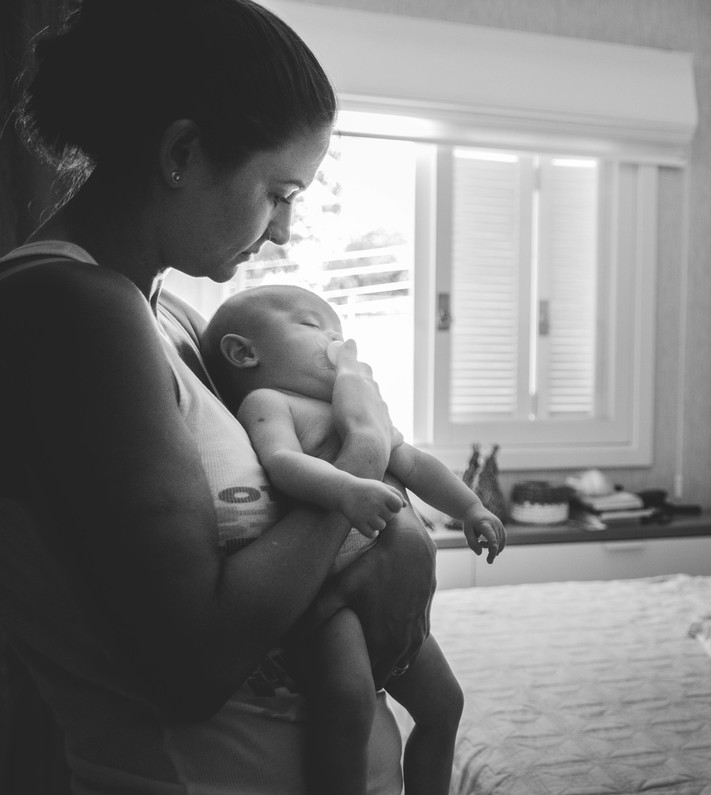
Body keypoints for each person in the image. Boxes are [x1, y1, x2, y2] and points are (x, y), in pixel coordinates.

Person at [0, 1, 427, 791]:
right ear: (183, 153)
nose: (284, 230)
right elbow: (193, 666)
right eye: (278, 192)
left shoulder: (167, 315)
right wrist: (363, 458)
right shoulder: (74, 311)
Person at [200, 284, 506, 794]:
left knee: (445, 704)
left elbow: (414, 464)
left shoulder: (356, 406)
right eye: (312, 325)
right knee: (348, 704)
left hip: (396, 598)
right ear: (244, 353)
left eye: (338, 330)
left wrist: (470, 507)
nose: (335, 340)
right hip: (333, 596)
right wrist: (346, 489)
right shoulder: (269, 402)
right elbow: (282, 462)